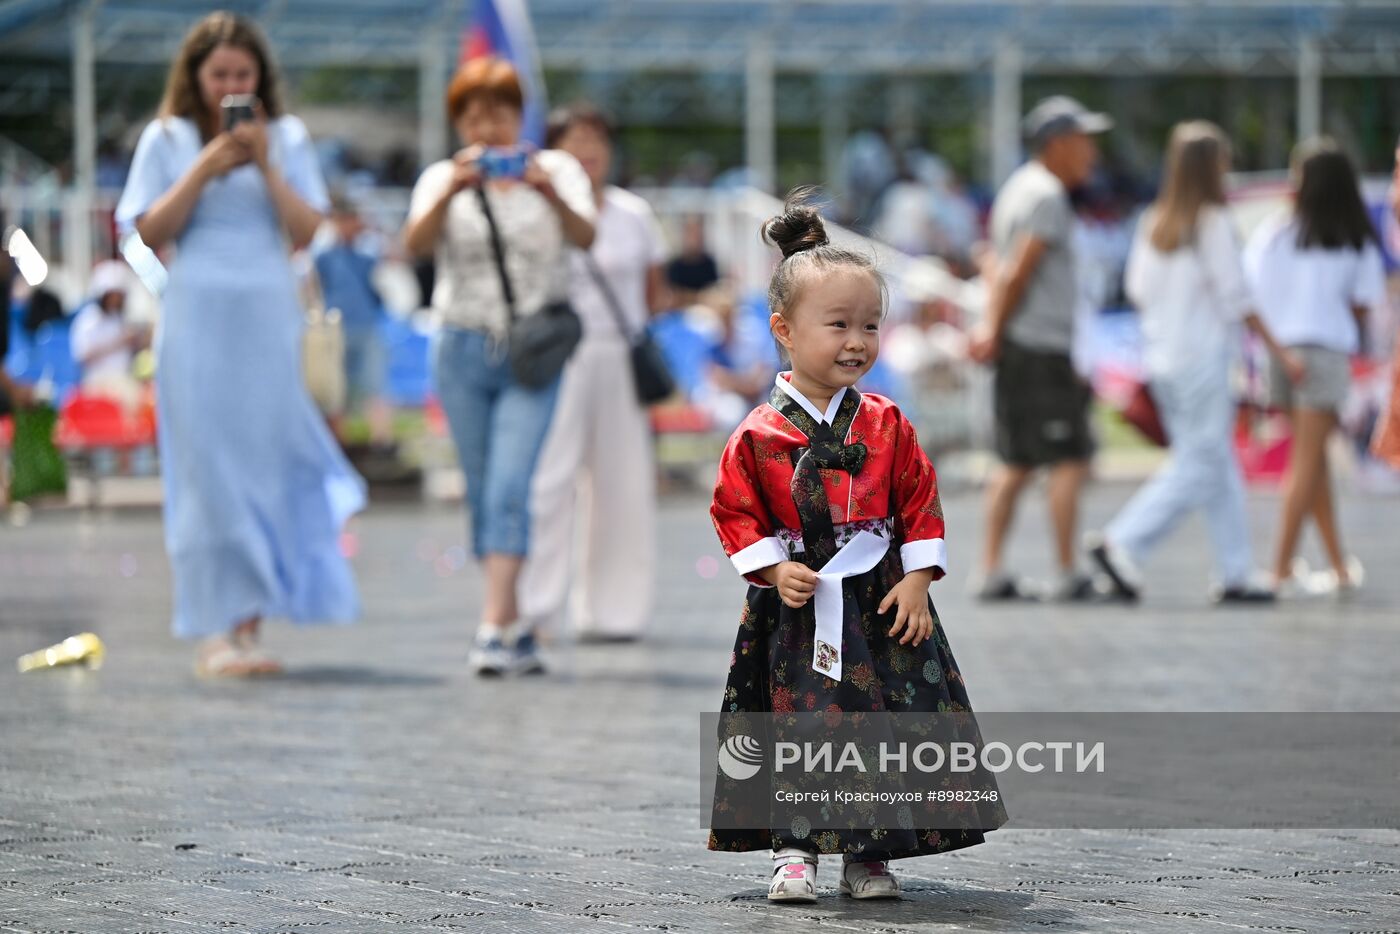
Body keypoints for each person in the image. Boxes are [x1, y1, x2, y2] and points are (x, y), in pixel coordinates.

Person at [708, 192, 1000, 903]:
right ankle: (794, 845)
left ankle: (870, 852)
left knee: (879, 727)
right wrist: (775, 569)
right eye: (837, 324)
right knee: (799, 719)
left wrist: (919, 579)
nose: (856, 341)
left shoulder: (888, 421)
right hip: (797, 606)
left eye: (870, 325)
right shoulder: (757, 434)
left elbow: (918, 497)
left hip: (879, 600)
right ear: (784, 330)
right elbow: (733, 508)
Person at [115, 12, 365, 676]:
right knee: (205, 474)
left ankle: (248, 625)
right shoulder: (165, 138)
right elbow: (145, 233)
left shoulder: (285, 136)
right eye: (220, 73)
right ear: (196, 78)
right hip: (195, 317)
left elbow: (308, 229)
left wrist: (264, 165)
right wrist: (205, 166)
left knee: (261, 467)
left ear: (260, 79)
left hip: (267, 319)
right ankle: (213, 628)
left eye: (243, 74)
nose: (231, 83)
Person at [402, 57, 595, 675]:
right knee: (484, 488)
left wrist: (544, 188)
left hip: (531, 354)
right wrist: (455, 189)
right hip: (459, 346)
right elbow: (414, 246)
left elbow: (586, 236)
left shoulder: (557, 169)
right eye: (475, 113)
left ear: (521, 114)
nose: (489, 125)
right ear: (459, 120)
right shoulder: (443, 176)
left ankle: (490, 626)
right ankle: (512, 624)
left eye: (501, 110)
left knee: (513, 483)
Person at [1084, 122, 1303, 604]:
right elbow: (1236, 296)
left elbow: (1138, 290)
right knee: (1201, 462)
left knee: (1216, 461)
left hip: (1162, 357)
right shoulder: (1213, 221)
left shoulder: (1153, 220)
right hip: (1203, 358)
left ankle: (1237, 570)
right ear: (1212, 166)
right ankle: (1122, 542)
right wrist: (1278, 350)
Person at [519, 103, 667, 642]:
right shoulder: (538, 208)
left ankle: (615, 610)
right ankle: (536, 610)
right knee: (550, 482)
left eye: (596, 139)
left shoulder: (633, 213)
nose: (587, 150)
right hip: (563, 352)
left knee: (622, 483)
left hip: (618, 354)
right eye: (574, 139)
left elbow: (653, 288)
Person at [968, 96, 1109, 601]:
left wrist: (993, 328)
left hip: (1023, 345)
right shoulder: (1047, 194)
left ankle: (990, 569)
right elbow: (1018, 272)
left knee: (1017, 459)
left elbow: (995, 264)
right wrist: (994, 330)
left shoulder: (1018, 188)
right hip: (1038, 347)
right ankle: (1068, 571)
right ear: (1059, 143)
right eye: (1083, 139)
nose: (1091, 151)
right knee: (1068, 457)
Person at [1244, 138, 1386, 598]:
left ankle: (1340, 566)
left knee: (1314, 461)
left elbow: (1253, 294)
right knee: (1305, 463)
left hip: (1280, 355)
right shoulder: (1353, 238)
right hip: (1324, 353)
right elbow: (1366, 305)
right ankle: (1279, 569)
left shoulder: (1275, 233)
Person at [312, 194, 394, 448]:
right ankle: (340, 443)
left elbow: (390, 261)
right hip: (335, 328)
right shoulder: (324, 253)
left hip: (366, 325)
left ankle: (381, 441)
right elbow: (313, 283)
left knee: (375, 385)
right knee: (335, 389)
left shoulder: (366, 251)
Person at [70, 261, 150, 410]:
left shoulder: (121, 320)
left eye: (119, 296)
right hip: (96, 381)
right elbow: (81, 354)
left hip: (124, 378)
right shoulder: (88, 319)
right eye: (112, 295)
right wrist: (118, 341)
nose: (116, 300)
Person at [666, 215, 720, 303]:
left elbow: (713, 291)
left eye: (697, 233)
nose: (694, 238)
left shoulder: (709, 263)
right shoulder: (675, 266)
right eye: (691, 233)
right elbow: (673, 296)